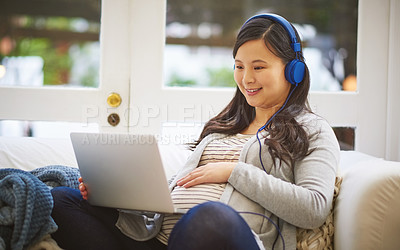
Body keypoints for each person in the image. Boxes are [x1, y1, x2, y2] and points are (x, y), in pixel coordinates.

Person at [50, 13, 340, 250]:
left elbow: (313, 209)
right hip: (156, 238)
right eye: (239, 66)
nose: (246, 78)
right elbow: (178, 189)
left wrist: (233, 171)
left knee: (208, 217)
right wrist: (116, 194)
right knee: (61, 199)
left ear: (294, 71)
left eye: (259, 66)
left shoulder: (313, 130)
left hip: (223, 235)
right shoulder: (225, 124)